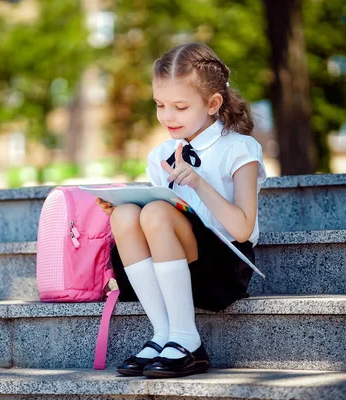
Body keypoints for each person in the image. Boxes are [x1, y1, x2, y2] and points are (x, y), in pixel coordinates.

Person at [95, 43, 267, 379]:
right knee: (126, 214)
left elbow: (243, 228)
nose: (167, 116)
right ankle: (163, 335)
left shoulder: (240, 149)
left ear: (213, 104)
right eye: (159, 105)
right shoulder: (161, 153)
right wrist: (123, 202)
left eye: (180, 106)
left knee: (157, 212)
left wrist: (199, 183)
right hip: (171, 270)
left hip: (222, 269)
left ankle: (187, 340)